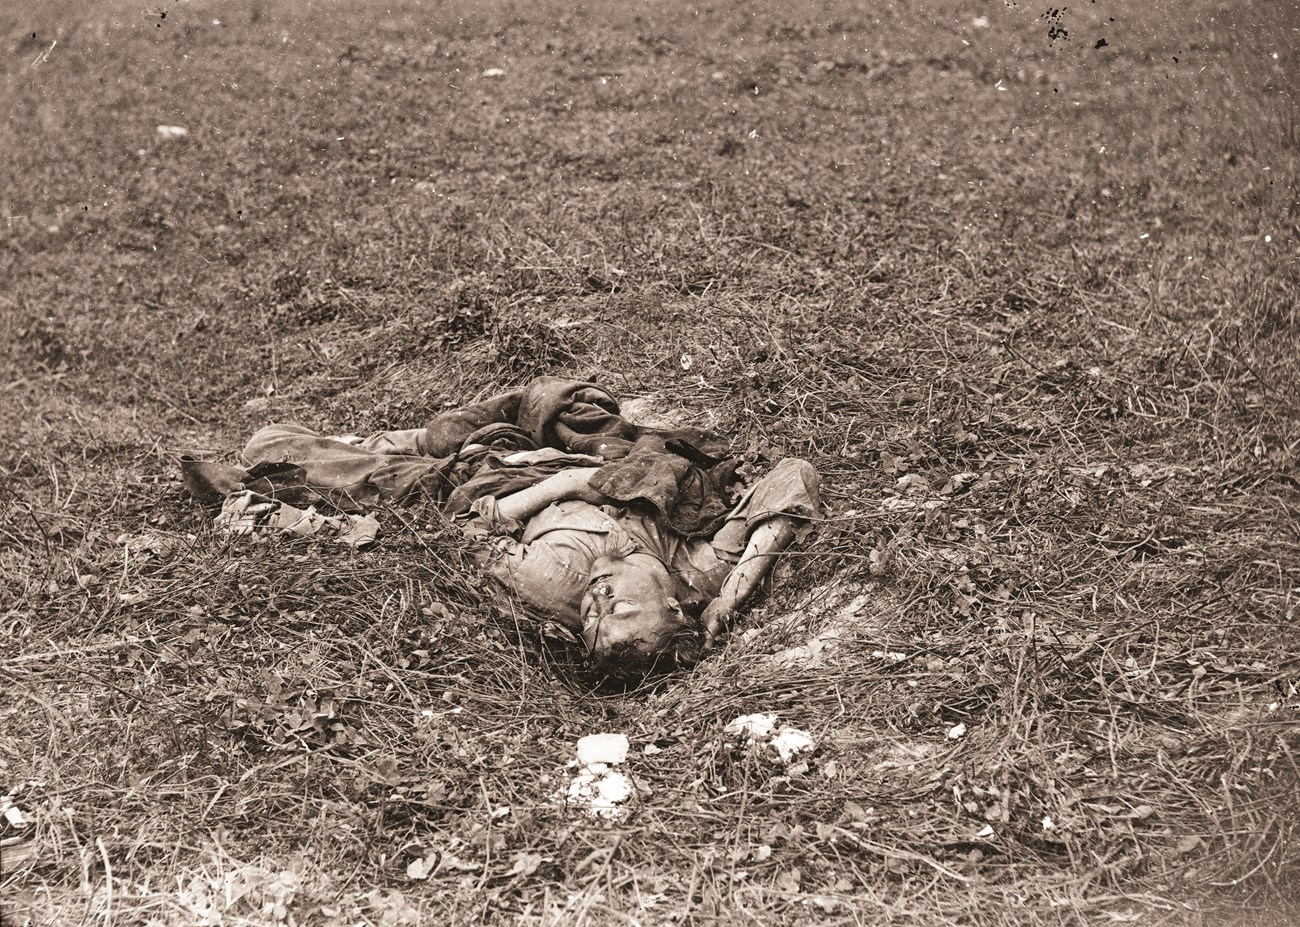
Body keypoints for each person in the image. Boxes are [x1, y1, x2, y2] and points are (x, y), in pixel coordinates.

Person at [459, 458, 820, 674]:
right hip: (605, 458)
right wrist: (728, 600)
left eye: (588, 619)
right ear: (673, 607)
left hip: (536, 471)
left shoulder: (552, 582)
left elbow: (467, 531)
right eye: (619, 606)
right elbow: (793, 474)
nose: (596, 598)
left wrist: (564, 484)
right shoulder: (702, 573)